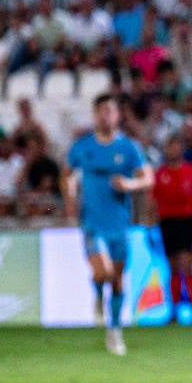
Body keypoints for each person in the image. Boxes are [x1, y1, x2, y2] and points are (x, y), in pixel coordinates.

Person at [63, 93, 153, 355]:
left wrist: (130, 184)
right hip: (92, 221)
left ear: (118, 115)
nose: (106, 116)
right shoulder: (82, 147)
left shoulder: (128, 148)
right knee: (103, 271)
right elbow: (66, 174)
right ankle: (97, 294)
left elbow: (148, 179)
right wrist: (69, 197)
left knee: (118, 280)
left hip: (120, 225)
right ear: (95, 115)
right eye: (101, 111)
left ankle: (114, 330)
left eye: (110, 111)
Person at [151, 135, 192, 324]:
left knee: (187, 266)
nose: (173, 150)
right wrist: (150, 227)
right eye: (170, 146)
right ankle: (174, 312)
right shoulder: (160, 175)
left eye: (176, 146)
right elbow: (152, 203)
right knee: (173, 268)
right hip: (168, 223)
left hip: (186, 222)